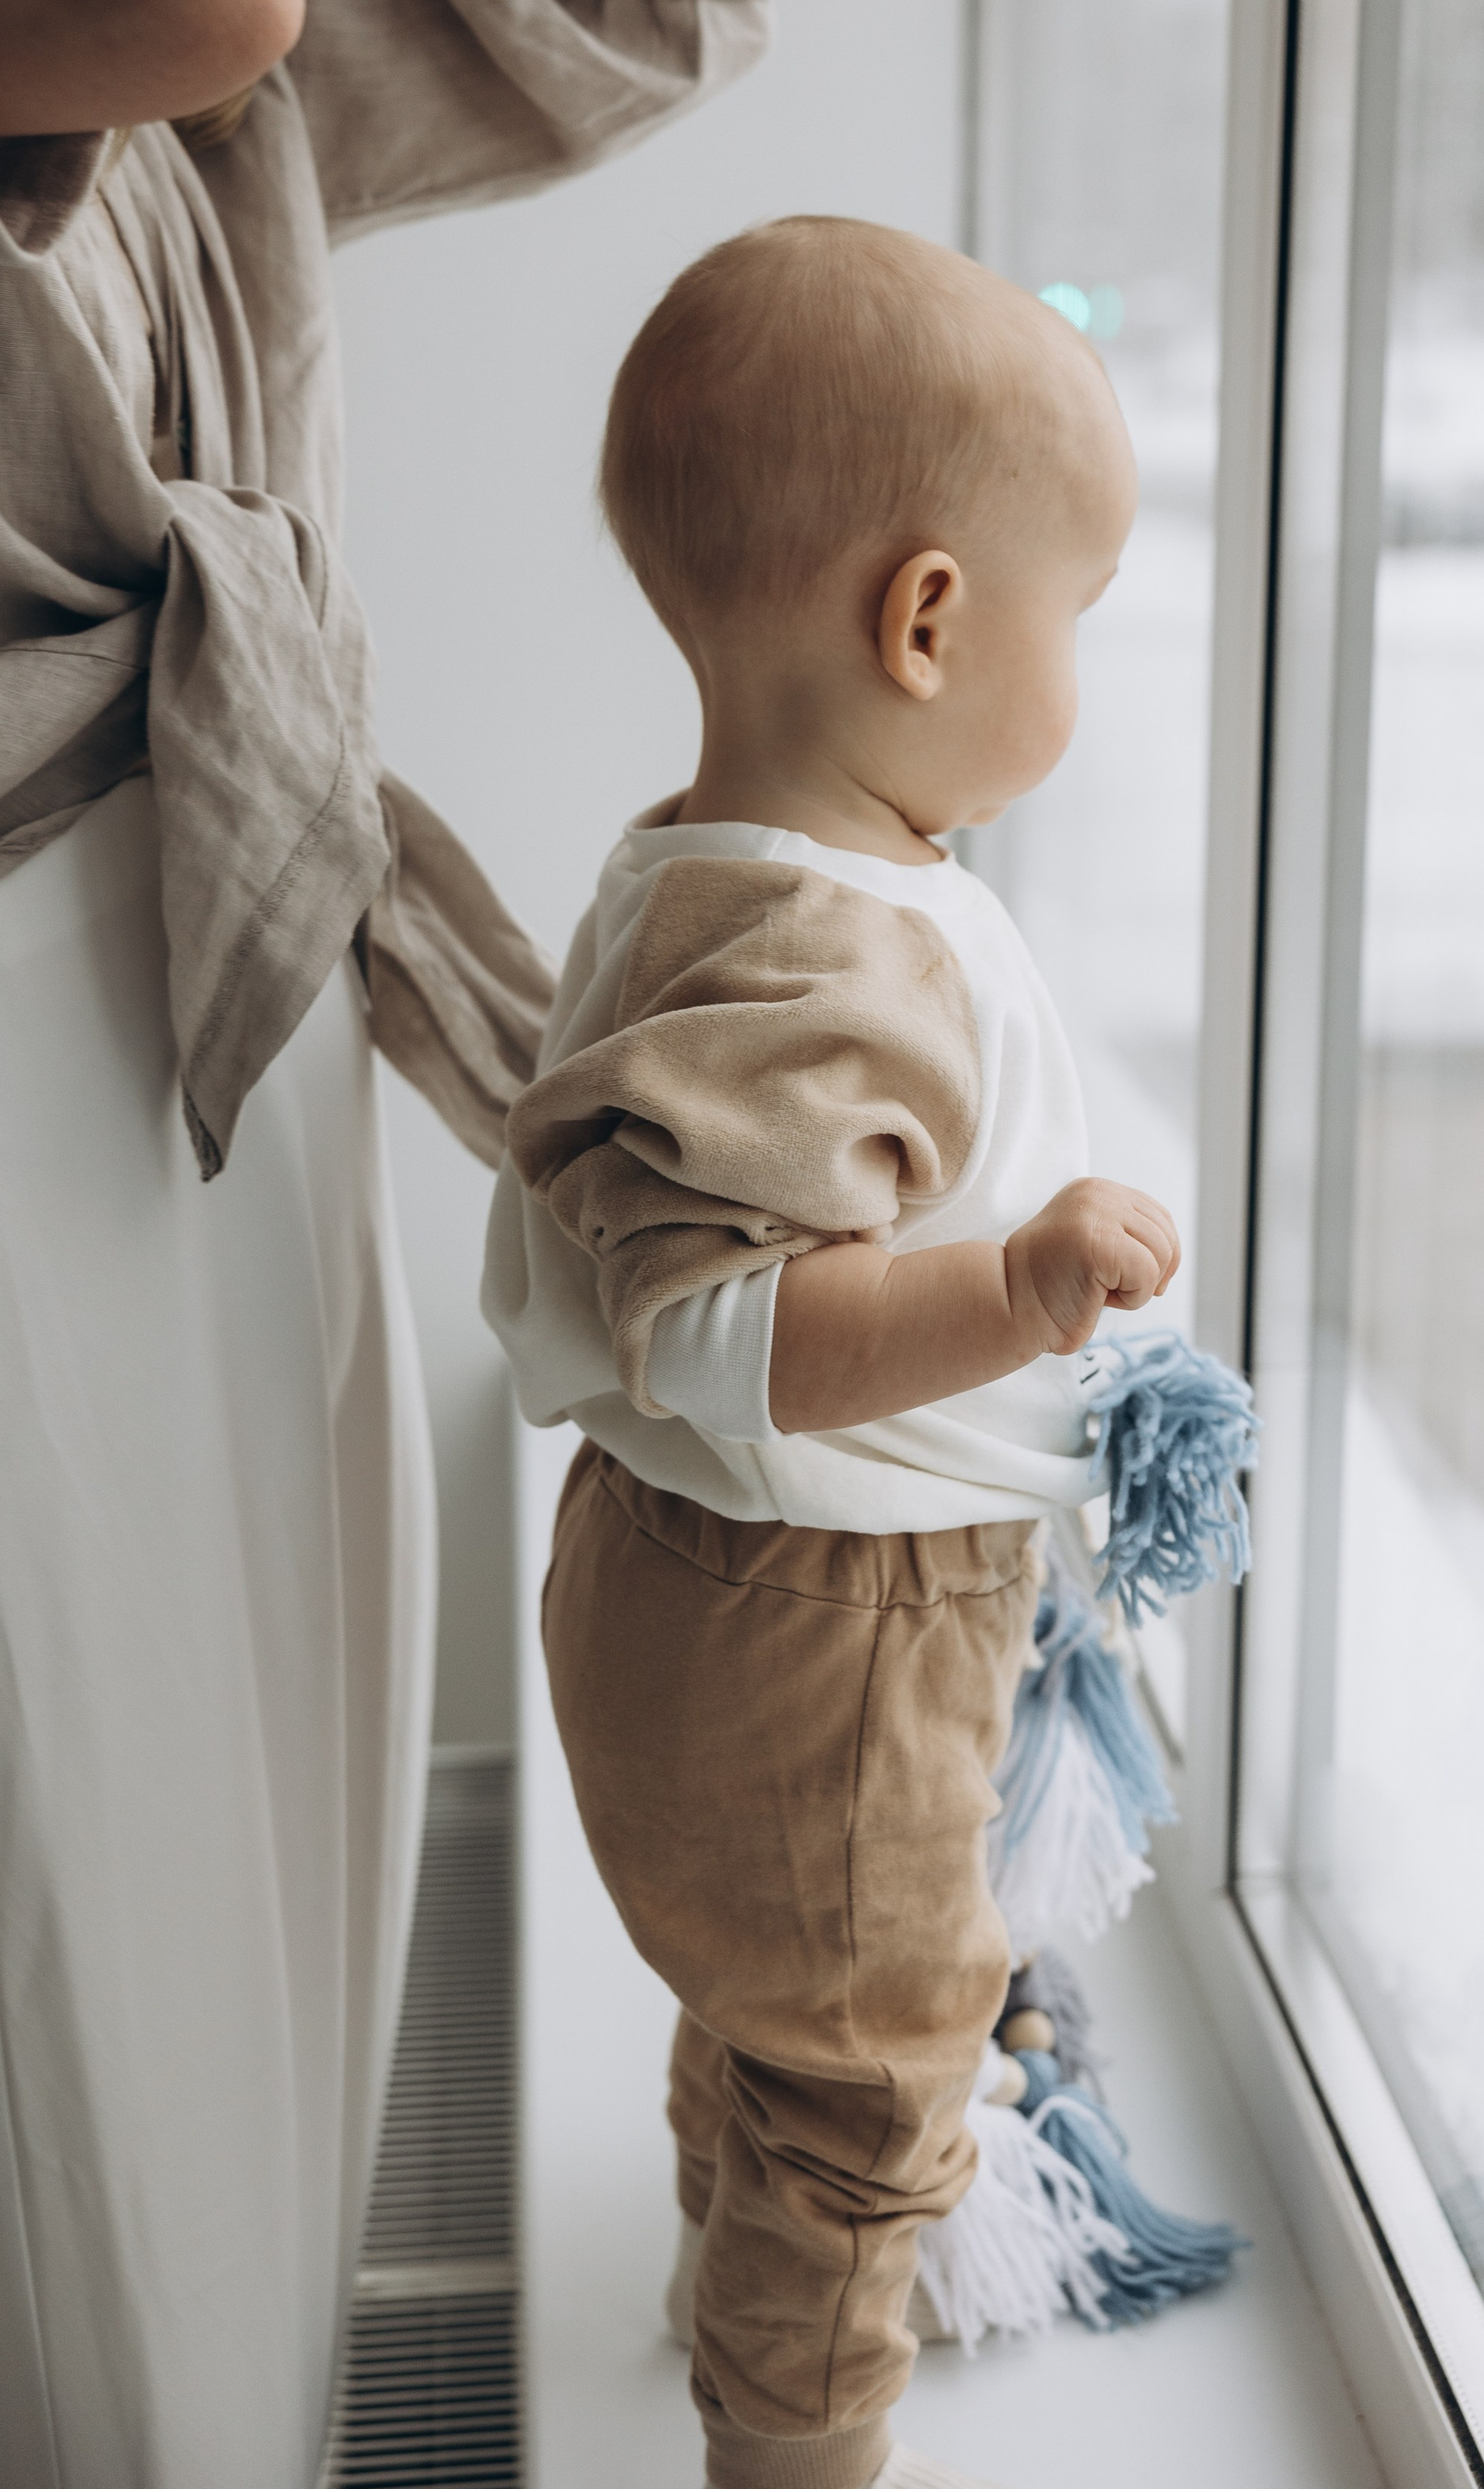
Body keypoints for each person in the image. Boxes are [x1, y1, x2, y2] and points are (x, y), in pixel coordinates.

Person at [0, 0, 785, 2481]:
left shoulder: (133, 16)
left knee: (227, 1992)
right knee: (56, 2094)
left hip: (225, 994)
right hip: (5, 1079)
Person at [483, 217, 1182, 2489]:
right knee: (873, 2082)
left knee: (762, 1997)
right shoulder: (836, 948)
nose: (1078, 669)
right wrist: (1025, 1288)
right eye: (1075, 614)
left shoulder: (703, 859)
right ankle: (793, 2431)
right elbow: (735, 1327)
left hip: (683, 1586)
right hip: (828, 1640)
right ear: (929, 620)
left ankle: (730, 2257)